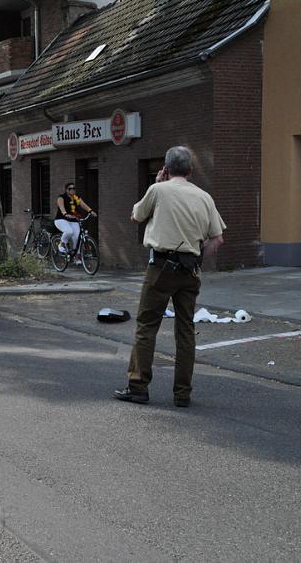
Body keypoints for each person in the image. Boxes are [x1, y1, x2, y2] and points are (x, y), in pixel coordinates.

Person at [113, 146, 225, 408]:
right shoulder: (204, 197)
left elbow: (136, 216)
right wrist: (197, 258)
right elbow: (218, 238)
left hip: (161, 268)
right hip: (190, 270)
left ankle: (138, 386)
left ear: (165, 168)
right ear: (191, 170)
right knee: (186, 330)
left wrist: (155, 184)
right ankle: (182, 393)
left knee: (146, 326)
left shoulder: (158, 190)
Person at [54, 183, 95, 253]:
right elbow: (61, 207)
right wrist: (65, 213)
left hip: (73, 220)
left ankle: (76, 256)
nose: (73, 190)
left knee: (77, 238)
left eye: (74, 188)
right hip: (61, 220)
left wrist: (90, 211)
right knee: (69, 231)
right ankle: (61, 244)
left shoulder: (76, 197)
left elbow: (83, 205)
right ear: (67, 190)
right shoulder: (61, 197)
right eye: (70, 189)